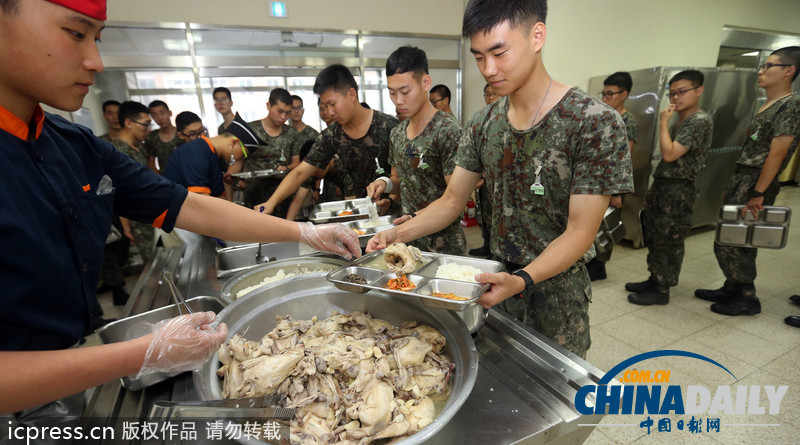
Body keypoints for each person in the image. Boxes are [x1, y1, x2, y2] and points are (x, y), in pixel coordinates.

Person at [0, 0, 360, 417]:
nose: (96, 61)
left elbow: (190, 206)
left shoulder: (73, 145)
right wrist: (145, 352)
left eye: (97, 38)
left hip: (66, 378)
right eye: (75, 33)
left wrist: (305, 233)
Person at [367, 0, 633, 358]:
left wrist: (521, 279)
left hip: (557, 298)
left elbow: (580, 231)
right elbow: (452, 200)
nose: (488, 69)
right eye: (479, 57)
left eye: (499, 52)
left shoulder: (592, 122)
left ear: (537, 36)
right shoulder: (483, 123)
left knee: (553, 382)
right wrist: (395, 235)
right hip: (493, 286)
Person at [695, 47, 800, 316]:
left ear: (789, 70)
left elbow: (777, 154)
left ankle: (746, 296)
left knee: (736, 239)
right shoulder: (768, 104)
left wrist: (758, 192)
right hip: (744, 177)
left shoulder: (791, 105)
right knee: (732, 235)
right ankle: (732, 286)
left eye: (769, 66)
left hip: (756, 181)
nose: (761, 71)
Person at [256, 64, 398, 214]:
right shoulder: (331, 135)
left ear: (351, 94)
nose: (329, 112)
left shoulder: (388, 127)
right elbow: (300, 172)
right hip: (358, 215)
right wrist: (270, 203)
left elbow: (403, 178)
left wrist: (390, 201)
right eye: (324, 106)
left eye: (332, 104)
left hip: (394, 215)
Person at [366, 46, 466, 255]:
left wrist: (415, 217)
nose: (398, 101)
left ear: (425, 83)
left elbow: (455, 198)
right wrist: (385, 183)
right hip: (407, 240)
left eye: (405, 92)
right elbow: (401, 181)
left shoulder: (447, 131)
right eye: (392, 93)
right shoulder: (397, 133)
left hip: (443, 242)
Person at [625, 70, 713, 305]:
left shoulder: (699, 121)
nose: (675, 97)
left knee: (668, 238)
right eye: (672, 93)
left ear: (698, 91)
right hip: (664, 186)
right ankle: (655, 278)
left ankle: (661, 288)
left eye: (682, 92)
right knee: (655, 234)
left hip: (678, 190)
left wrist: (663, 122)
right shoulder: (682, 120)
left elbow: (670, 153)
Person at [586, 71, 640, 280]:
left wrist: (617, 192)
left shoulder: (628, 121)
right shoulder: (604, 117)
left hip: (613, 184)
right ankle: (593, 260)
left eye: (610, 94)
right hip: (597, 181)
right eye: (604, 93)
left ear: (623, 94)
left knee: (607, 224)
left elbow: (624, 158)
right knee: (594, 223)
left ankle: (600, 265)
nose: (605, 98)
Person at [111, 101, 158, 263]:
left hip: (151, 212)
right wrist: (126, 226)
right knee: (154, 262)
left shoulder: (139, 147)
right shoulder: (118, 152)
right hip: (137, 218)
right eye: (145, 124)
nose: (148, 129)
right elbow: (119, 191)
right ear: (129, 123)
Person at [245, 88, 302, 215]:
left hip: (281, 194)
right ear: (268, 105)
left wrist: (287, 168)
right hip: (254, 193)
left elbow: (297, 163)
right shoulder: (251, 130)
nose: (283, 117)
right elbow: (240, 158)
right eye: (279, 111)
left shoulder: (292, 133)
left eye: (287, 113)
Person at [469, 83, 502, 258]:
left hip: (498, 181)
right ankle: (487, 245)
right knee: (484, 214)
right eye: (486, 94)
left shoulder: (505, 122)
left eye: (493, 94)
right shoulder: (481, 122)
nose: (489, 98)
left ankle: (496, 250)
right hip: (482, 180)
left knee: (497, 216)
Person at [143, 99, 182, 174]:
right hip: (164, 177)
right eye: (155, 115)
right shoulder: (152, 137)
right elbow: (151, 163)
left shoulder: (182, 133)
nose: (159, 118)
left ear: (170, 113)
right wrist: (160, 179)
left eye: (162, 113)